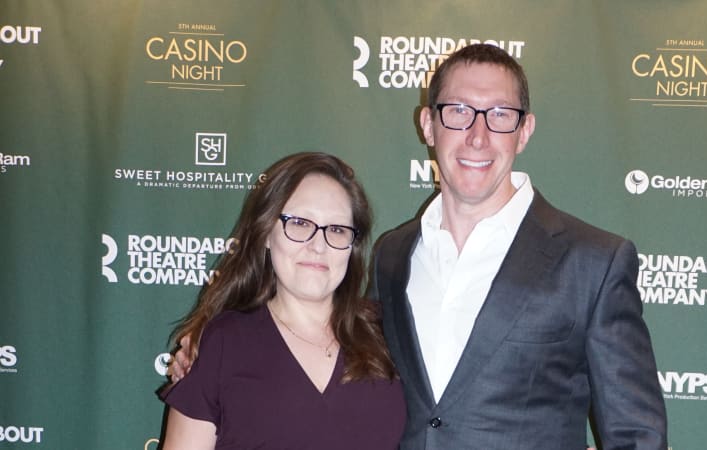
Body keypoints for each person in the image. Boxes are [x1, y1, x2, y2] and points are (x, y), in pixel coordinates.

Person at [172, 44, 668, 449]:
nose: (477, 135)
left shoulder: (592, 261)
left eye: (499, 115)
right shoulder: (393, 255)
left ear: (525, 131)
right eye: (458, 112)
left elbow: (635, 437)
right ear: (428, 125)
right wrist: (208, 342)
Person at [159, 152, 406, 449]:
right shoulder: (224, 343)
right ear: (265, 233)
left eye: (337, 230)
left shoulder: (391, 336)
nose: (318, 245)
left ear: (352, 246)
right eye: (300, 223)